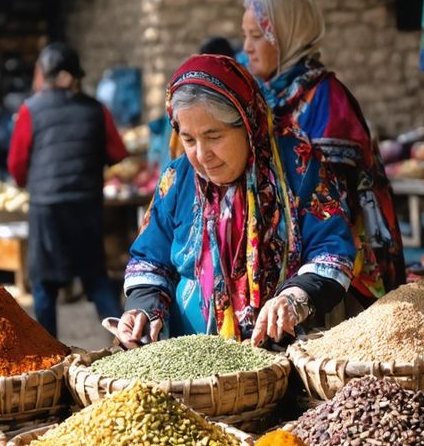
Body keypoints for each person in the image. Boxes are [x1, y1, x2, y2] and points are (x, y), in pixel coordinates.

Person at [117, 54, 356, 347]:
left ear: (247, 124)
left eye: (213, 136)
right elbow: (150, 259)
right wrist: (142, 307)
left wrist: (295, 298)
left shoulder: (298, 168)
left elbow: (332, 251)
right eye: (189, 140)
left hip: (285, 352)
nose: (202, 155)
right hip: (191, 360)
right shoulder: (177, 179)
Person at [242, 0, 405, 306]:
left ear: (289, 37)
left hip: (332, 262)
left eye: (257, 35)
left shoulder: (326, 98)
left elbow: (330, 197)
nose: (247, 47)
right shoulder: (263, 97)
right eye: (245, 35)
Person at [7, 43, 127, 337]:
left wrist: (31, 182)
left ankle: (51, 357)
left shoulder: (30, 110)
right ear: (71, 76)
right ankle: (129, 343)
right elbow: (117, 152)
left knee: (44, 284)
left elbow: (16, 165)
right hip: (86, 205)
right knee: (96, 278)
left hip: (46, 208)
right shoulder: (96, 109)